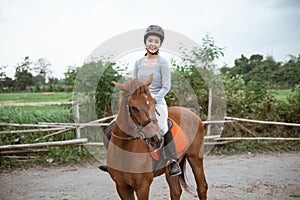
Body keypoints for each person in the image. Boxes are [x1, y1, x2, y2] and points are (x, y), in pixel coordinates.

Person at [99, 25, 181, 177]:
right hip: (138, 101)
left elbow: (166, 86)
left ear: (160, 45)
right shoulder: (138, 62)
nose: (153, 44)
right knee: (113, 127)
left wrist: (151, 100)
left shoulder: (163, 63)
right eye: (150, 40)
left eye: (156, 41)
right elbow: (135, 83)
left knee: (163, 127)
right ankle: (113, 161)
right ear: (145, 42)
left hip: (157, 100)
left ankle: (172, 160)